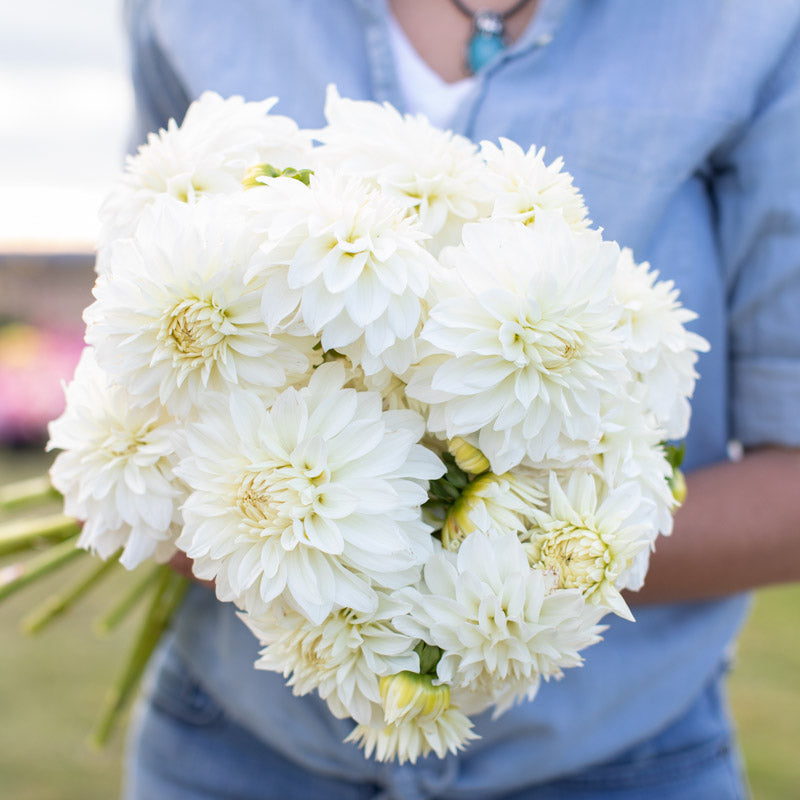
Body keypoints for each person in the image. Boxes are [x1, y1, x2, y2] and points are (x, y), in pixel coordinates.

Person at [121, 1, 800, 797]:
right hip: (233, 748)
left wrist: (517, 560)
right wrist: (197, 520)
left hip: (622, 762)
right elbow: (140, 310)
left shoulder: (750, 22)